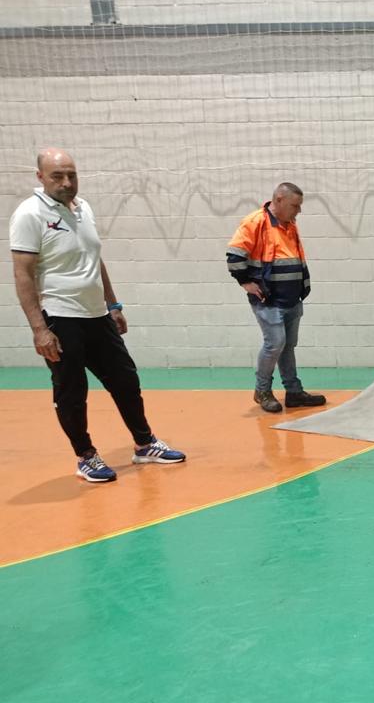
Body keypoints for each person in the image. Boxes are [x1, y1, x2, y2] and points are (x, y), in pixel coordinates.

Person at [9, 148, 185, 482]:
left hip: (96, 316)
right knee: (72, 393)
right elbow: (23, 274)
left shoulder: (83, 208)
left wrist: (113, 305)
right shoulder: (29, 214)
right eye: (57, 176)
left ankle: (144, 444)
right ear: (40, 177)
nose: (66, 182)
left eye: (71, 174)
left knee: (126, 381)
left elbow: (94, 259)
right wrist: (39, 329)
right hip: (60, 318)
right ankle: (85, 456)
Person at [226, 182, 325, 414]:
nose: (298, 211)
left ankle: (293, 392)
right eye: (295, 205)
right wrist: (246, 283)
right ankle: (262, 390)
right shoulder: (255, 222)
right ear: (279, 200)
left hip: (292, 298)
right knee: (275, 344)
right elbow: (234, 255)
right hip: (269, 300)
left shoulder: (289, 224)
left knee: (288, 346)